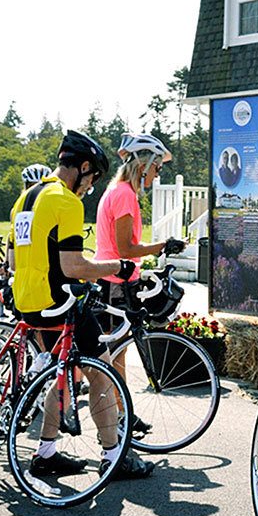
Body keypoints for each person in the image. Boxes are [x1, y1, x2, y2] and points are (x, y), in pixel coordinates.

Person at [7, 130, 154, 481]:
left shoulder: (27, 197)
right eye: (92, 178)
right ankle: (113, 455)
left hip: (27, 302)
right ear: (83, 167)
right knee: (101, 372)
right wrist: (117, 267)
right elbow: (74, 266)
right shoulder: (66, 202)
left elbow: (15, 260)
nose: (90, 187)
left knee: (61, 373)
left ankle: (45, 452)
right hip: (58, 302)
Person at [94, 131, 187, 438]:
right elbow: (125, 249)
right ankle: (116, 418)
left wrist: (156, 249)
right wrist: (161, 245)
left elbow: (129, 246)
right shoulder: (123, 195)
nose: (158, 174)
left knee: (118, 354)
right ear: (144, 164)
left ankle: (123, 413)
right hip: (114, 281)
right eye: (157, 167)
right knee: (112, 355)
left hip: (119, 280)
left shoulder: (120, 191)